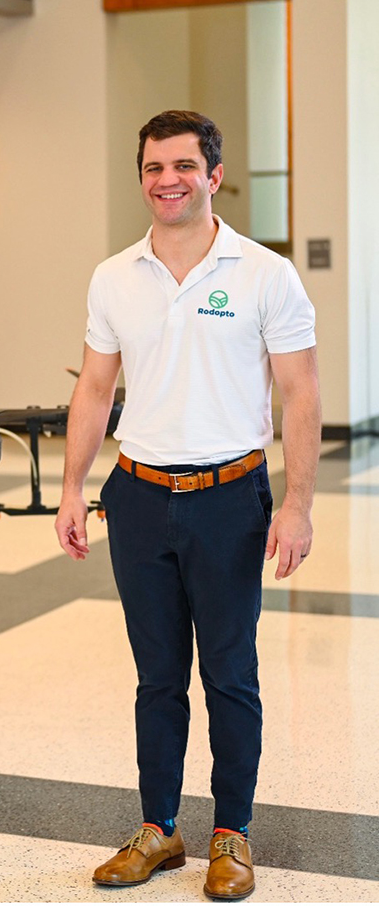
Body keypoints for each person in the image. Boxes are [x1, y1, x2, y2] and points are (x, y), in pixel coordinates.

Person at [54, 110, 320, 900]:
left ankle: (231, 834)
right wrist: (73, 486)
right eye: (152, 167)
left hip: (230, 497)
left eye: (181, 165)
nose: (165, 179)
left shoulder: (265, 274)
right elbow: (96, 388)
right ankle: (160, 827)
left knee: (231, 674)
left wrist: (297, 504)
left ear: (213, 174)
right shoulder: (114, 275)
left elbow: (301, 394)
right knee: (156, 676)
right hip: (137, 495)